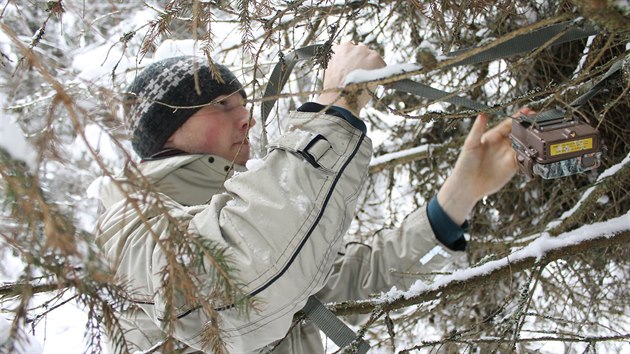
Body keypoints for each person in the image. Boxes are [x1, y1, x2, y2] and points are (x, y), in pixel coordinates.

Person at [94, 42, 533, 353]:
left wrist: (457, 196)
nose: (246, 116)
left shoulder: (245, 211)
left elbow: (344, 285)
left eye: (243, 101)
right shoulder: (129, 220)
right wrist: (334, 109)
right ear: (166, 131)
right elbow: (232, 291)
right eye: (222, 104)